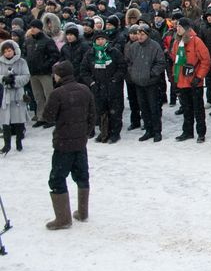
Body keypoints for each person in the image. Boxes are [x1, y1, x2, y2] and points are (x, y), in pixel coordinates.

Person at [42, 61, 96, 230]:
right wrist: (85, 133)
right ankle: (83, 212)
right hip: (80, 142)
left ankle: (63, 219)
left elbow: (48, 117)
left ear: (59, 75)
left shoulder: (57, 93)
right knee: (82, 175)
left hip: (63, 143)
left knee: (57, 178)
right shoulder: (85, 89)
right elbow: (92, 114)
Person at [170, 17, 211, 143]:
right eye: (177, 26)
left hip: (194, 82)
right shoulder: (177, 42)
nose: (177, 28)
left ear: (186, 28)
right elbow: (176, 61)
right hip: (182, 81)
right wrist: (175, 78)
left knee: (198, 109)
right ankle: (187, 131)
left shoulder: (196, 41)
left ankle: (201, 133)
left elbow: (206, 60)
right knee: (186, 109)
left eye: (180, 27)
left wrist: (199, 77)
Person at [79, 32, 126, 144]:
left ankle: (115, 133)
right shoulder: (90, 54)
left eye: (102, 39)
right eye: (98, 39)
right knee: (100, 111)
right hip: (97, 88)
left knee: (115, 111)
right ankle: (104, 131)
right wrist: (91, 83)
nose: (100, 41)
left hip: (113, 87)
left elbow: (122, 67)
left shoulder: (114, 52)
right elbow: (84, 70)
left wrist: (115, 79)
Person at [126, 25, 167, 142]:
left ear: (147, 35)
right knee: (143, 108)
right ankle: (148, 130)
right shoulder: (133, 47)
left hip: (151, 83)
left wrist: (151, 74)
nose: (139, 36)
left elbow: (160, 63)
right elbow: (129, 62)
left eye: (142, 34)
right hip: (138, 82)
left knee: (153, 107)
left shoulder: (154, 46)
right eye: (138, 34)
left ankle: (157, 131)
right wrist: (133, 73)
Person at [26, 19, 60, 128]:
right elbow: (25, 54)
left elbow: (55, 55)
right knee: (38, 96)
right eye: (31, 27)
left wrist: (45, 65)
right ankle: (41, 117)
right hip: (33, 73)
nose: (32, 29)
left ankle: (50, 117)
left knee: (48, 95)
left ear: (39, 28)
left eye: (34, 27)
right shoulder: (29, 40)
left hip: (44, 73)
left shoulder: (47, 40)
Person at [0, 40, 31, 154]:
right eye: (5, 51)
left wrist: (14, 80)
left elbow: (26, 76)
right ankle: (7, 145)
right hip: (5, 94)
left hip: (18, 92)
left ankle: (19, 141)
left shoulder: (21, 62)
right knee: (5, 119)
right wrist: (3, 79)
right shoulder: (0, 62)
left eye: (9, 50)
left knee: (18, 118)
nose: (7, 53)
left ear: (14, 50)